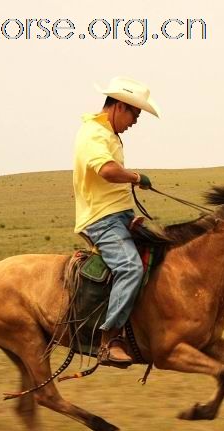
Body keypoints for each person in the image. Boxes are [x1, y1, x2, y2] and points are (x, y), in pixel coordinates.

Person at [72, 76, 160, 365]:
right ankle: (108, 341)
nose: (135, 120)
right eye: (135, 113)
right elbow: (108, 171)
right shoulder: (93, 134)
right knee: (131, 268)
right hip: (102, 219)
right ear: (120, 107)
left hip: (121, 215)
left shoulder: (109, 134)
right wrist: (135, 177)